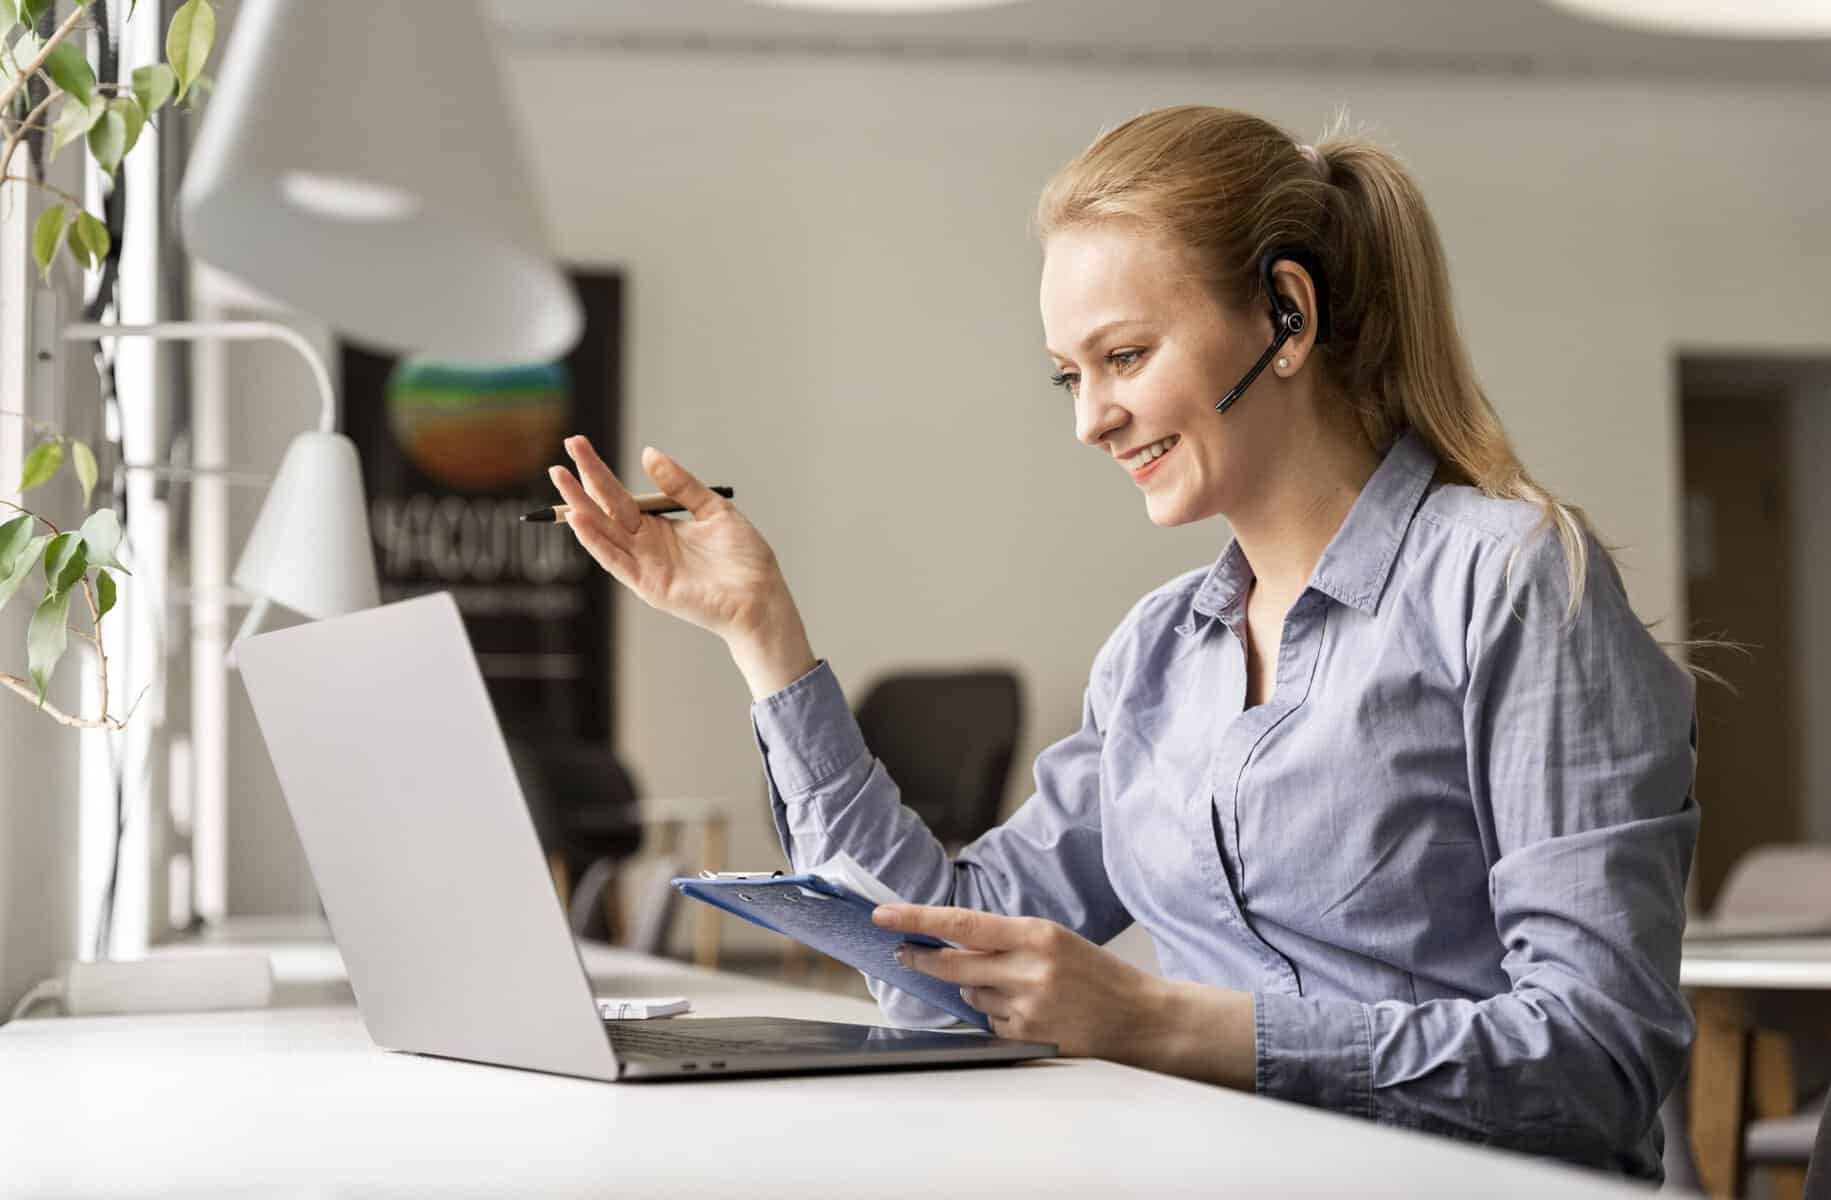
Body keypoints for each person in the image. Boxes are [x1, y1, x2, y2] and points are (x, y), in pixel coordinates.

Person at [546, 105, 1697, 1180]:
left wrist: (1152, 1019)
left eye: (1125, 357)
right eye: (1068, 375)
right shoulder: (1158, 654)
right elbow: (944, 953)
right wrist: (761, 630)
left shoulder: (1509, 576)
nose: (1088, 417)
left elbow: (1597, 1058)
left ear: (1285, 318)